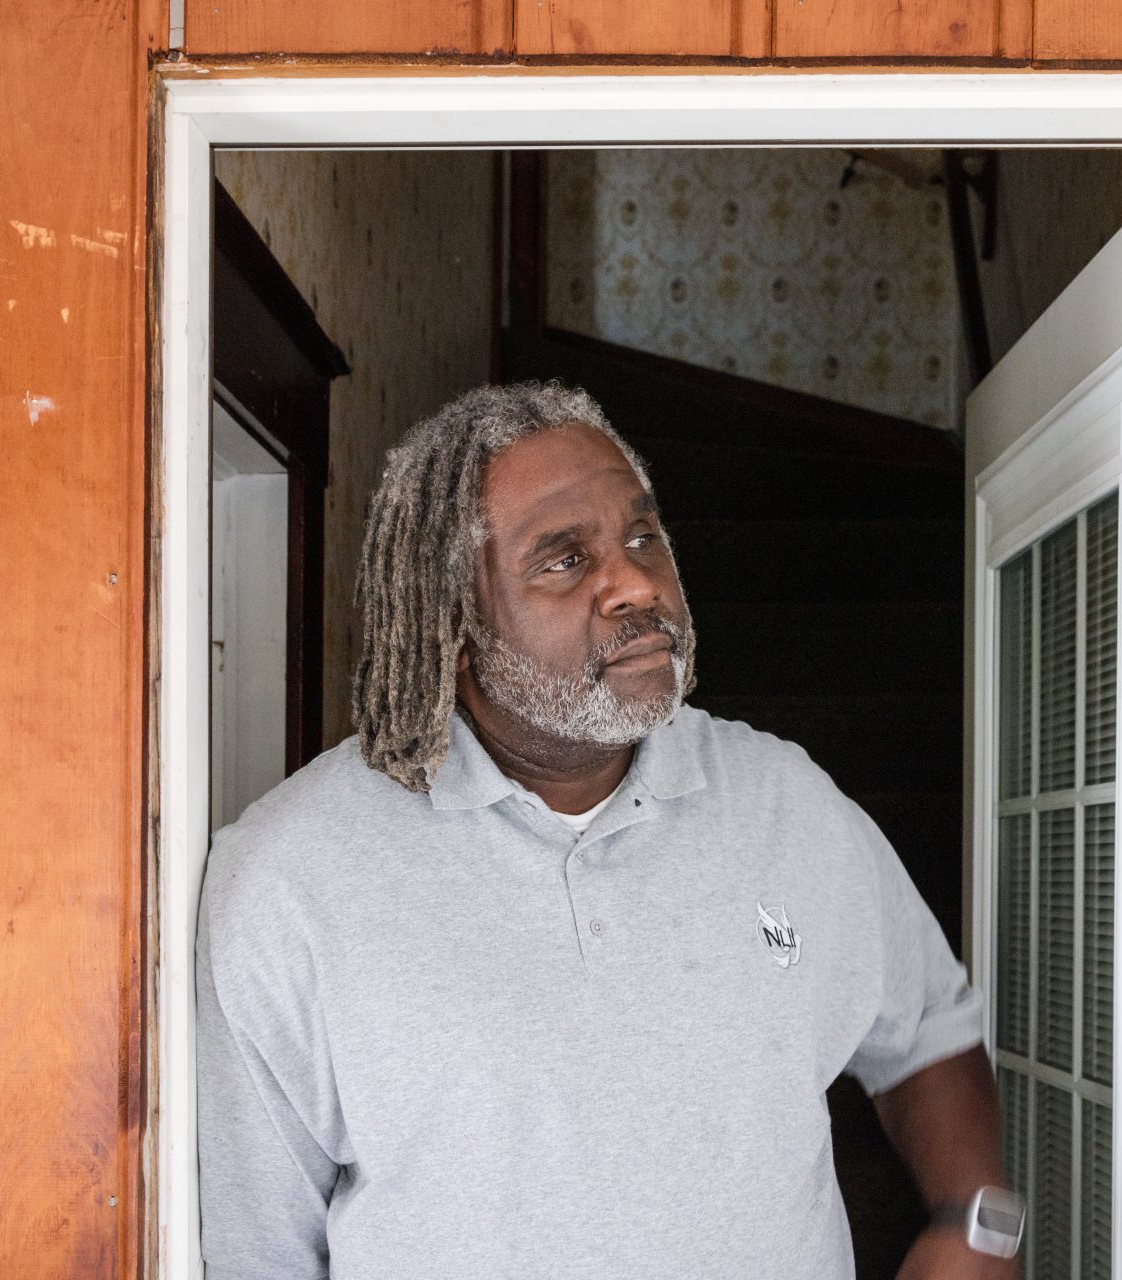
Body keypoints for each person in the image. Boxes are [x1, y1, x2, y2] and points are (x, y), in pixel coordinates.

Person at [196, 382, 1019, 1279]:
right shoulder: (290, 882)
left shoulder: (786, 803)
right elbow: (255, 1250)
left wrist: (980, 1223)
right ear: (454, 629)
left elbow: (926, 1022)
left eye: (642, 536)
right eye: (563, 559)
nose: (635, 583)